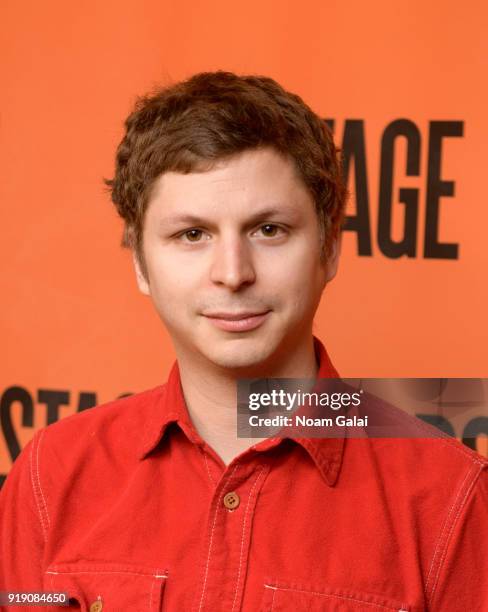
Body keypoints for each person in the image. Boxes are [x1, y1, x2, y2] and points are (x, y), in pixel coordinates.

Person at [0, 71, 486, 612]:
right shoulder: (51, 475)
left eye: (268, 230)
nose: (233, 273)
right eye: (192, 234)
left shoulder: (449, 497)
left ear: (329, 248)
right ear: (140, 262)